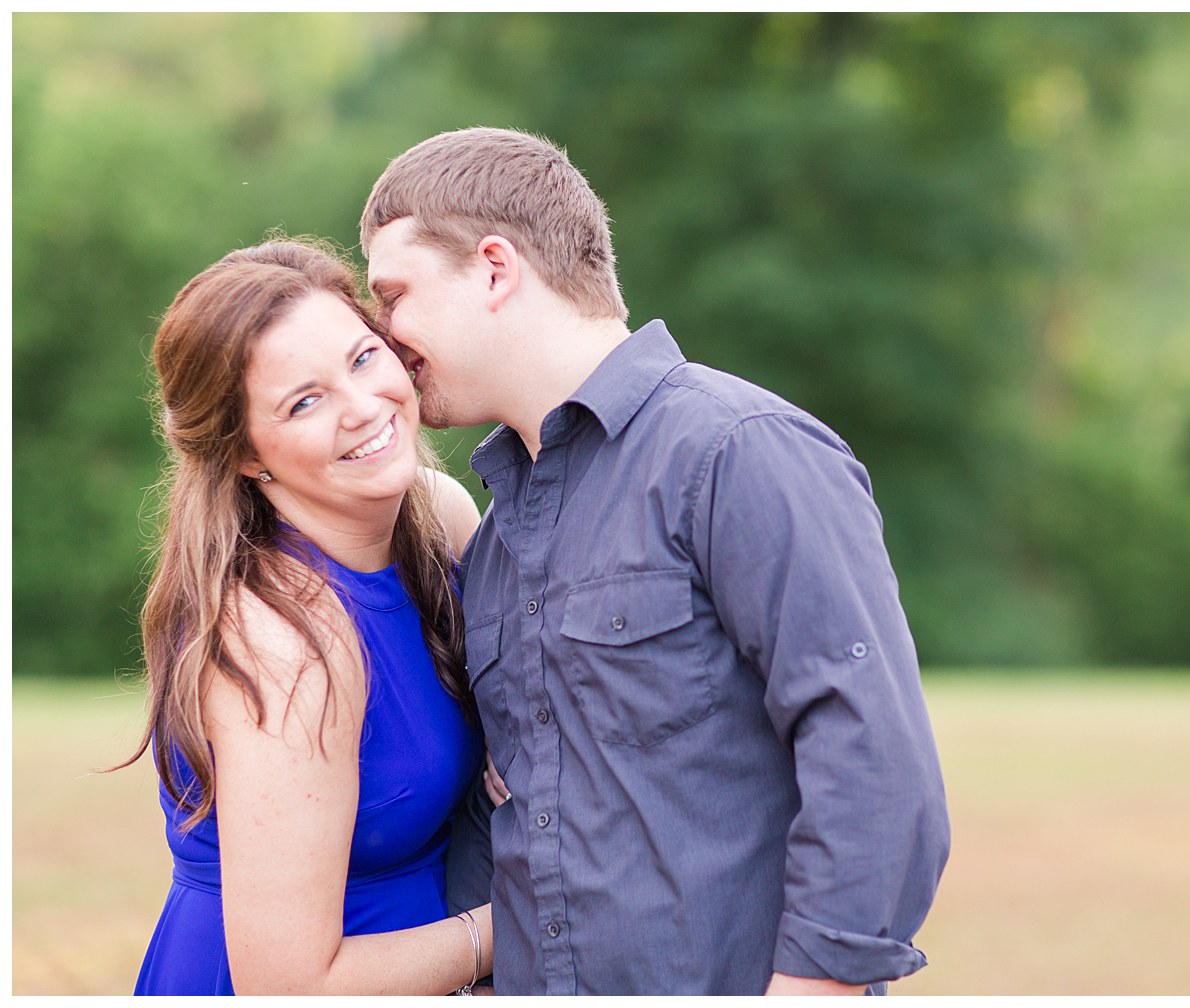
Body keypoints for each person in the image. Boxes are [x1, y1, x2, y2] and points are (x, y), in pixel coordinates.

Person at [360, 127, 951, 996]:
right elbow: (504, 813)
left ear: (494, 268)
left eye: (395, 294)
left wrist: (816, 989)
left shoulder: (737, 452)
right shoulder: (493, 539)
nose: (382, 336)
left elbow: (874, 757)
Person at [123, 238, 495, 995]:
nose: (364, 408)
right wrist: (518, 921)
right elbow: (292, 985)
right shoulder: (283, 640)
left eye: (362, 358)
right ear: (245, 456)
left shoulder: (437, 514)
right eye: (305, 401)